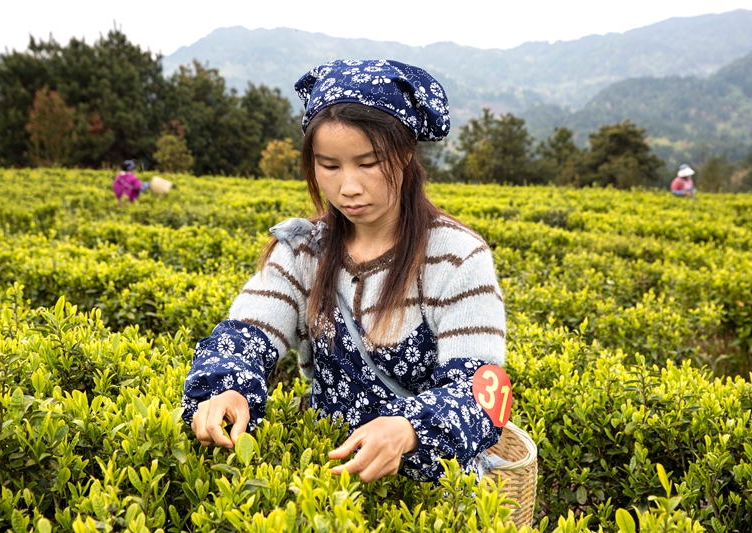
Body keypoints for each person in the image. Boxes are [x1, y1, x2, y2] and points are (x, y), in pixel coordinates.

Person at [181, 59, 507, 484]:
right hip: (327, 478)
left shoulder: (456, 257)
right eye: (329, 166)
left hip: (426, 491)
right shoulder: (303, 249)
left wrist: (408, 429)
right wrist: (227, 388)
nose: (347, 187)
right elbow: (247, 332)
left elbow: (483, 392)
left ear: (406, 153)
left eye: (368, 163)